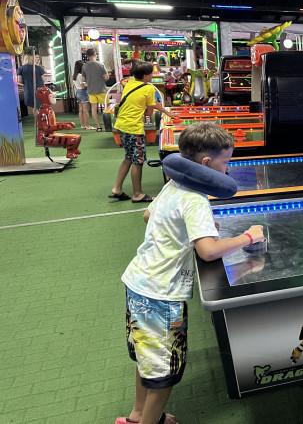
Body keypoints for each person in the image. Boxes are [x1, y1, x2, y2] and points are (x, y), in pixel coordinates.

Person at [120, 121, 265, 424]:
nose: (228, 168)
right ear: (207, 163)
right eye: (226, 162)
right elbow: (208, 251)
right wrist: (248, 237)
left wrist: (189, 230)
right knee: (164, 372)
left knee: (148, 359)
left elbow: (148, 216)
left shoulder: (173, 184)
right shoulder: (195, 199)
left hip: (138, 282)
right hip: (162, 294)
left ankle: (138, 415)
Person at [110, 61, 178, 203]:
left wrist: (167, 112)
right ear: (146, 76)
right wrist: (155, 110)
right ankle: (137, 194)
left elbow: (151, 104)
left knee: (128, 157)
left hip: (121, 125)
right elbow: (149, 112)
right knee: (138, 161)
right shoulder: (148, 89)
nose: (153, 75)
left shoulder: (130, 84)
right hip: (133, 128)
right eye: (152, 73)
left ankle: (117, 188)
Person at [81, 47, 109, 131]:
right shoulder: (100, 64)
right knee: (107, 107)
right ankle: (109, 125)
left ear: (87, 56)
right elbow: (106, 77)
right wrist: (101, 80)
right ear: (95, 54)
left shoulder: (84, 66)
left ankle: (98, 126)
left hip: (91, 90)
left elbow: (83, 79)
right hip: (102, 89)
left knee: (94, 109)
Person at [72, 60, 92, 130]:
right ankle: (87, 125)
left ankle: (82, 125)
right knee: (86, 110)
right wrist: (89, 84)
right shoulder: (80, 76)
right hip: (83, 92)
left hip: (78, 92)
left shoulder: (74, 76)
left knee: (80, 110)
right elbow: (83, 86)